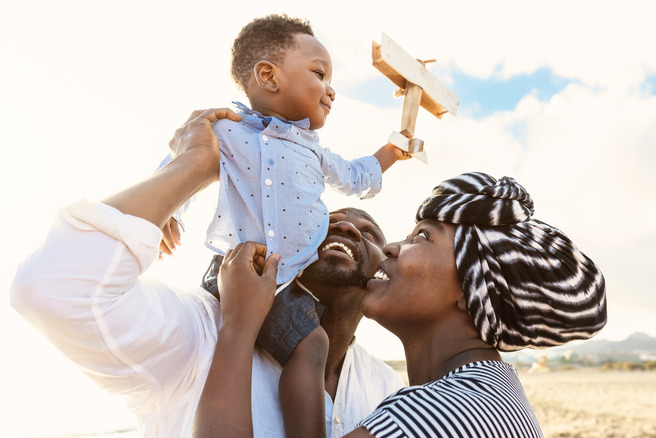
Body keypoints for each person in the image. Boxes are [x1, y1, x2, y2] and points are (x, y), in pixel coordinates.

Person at [10, 108, 404, 438]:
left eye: (368, 232)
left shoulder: (387, 388)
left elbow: (359, 173)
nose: (348, 227)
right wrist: (191, 168)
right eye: (326, 221)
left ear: (382, 268)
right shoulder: (198, 330)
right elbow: (50, 288)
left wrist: (391, 151)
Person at [202, 171, 608, 437]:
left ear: (472, 291)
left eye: (422, 237)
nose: (393, 247)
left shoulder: (439, 414)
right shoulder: (490, 396)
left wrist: (239, 326)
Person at [157, 15, 410, 437]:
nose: (331, 88)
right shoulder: (226, 130)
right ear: (268, 76)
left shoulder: (314, 151)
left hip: (287, 278)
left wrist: (390, 151)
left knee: (312, 343)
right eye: (319, 73)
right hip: (240, 270)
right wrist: (169, 211)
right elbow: (183, 163)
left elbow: (356, 176)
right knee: (313, 345)